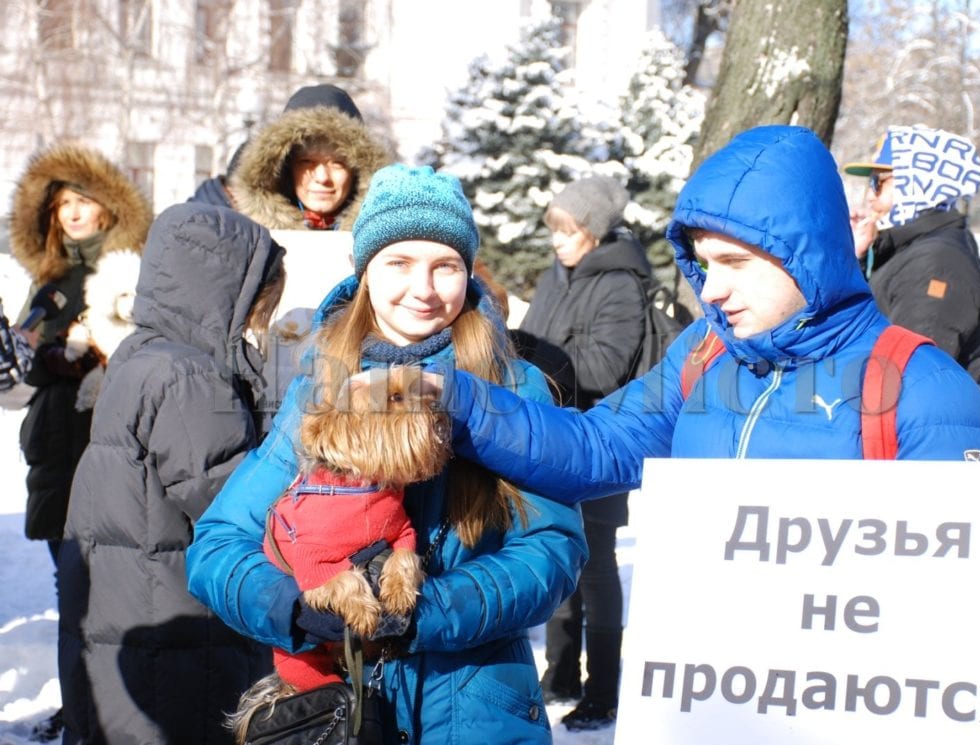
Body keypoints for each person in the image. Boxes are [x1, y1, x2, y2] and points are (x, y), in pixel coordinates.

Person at [186, 164, 588, 744]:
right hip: (340, 709)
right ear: (366, 272)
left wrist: (429, 611)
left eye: (444, 266)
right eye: (398, 263)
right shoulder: (321, 386)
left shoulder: (511, 387)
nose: (422, 289)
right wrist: (293, 607)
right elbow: (217, 545)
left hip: (473, 710)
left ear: (467, 272)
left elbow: (553, 549)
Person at [426, 125, 980, 510]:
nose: (714, 290)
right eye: (705, 264)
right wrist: (455, 400)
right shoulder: (705, 351)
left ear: (809, 254)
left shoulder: (927, 388)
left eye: (735, 262)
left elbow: (961, 593)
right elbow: (595, 446)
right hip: (709, 686)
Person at [55, 203, 286, 744]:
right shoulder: (188, 377)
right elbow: (232, 502)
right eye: (260, 299)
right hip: (179, 642)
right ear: (226, 290)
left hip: (134, 619)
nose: (262, 318)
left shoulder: (144, 355)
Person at [7, 142, 151, 742]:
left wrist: (95, 353)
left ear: (107, 208)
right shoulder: (46, 281)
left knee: (108, 589)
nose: (71, 213)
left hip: (107, 443)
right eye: (62, 203)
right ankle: (80, 707)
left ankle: (107, 710)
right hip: (52, 449)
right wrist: (28, 355)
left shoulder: (128, 272)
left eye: (82, 201)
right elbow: (20, 367)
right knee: (72, 592)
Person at [516, 175, 649, 730]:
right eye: (553, 230)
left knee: (595, 569)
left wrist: (536, 355)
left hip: (597, 441)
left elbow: (603, 367)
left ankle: (605, 689)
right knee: (560, 553)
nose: (557, 241)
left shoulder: (620, 283)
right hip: (551, 438)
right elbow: (529, 339)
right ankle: (562, 670)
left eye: (566, 231)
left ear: (593, 232)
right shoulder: (556, 277)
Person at [845, 125, 980, 404]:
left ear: (919, 182)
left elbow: (909, 379)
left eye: (879, 182)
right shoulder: (904, 251)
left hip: (925, 442)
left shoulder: (937, 263)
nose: (869, 196)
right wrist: (853, 257)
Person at [228, 83, 394, 231]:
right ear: (284, 169)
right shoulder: (247, 238)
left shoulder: (386, 239)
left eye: (337, 163)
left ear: (359, 172)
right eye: (306, 162)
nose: (322, 178)